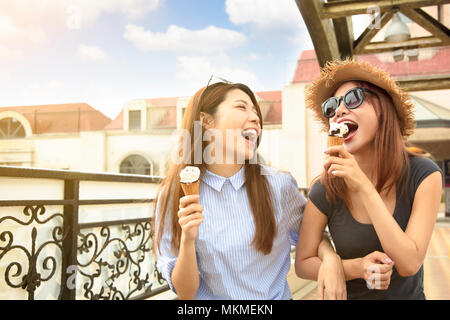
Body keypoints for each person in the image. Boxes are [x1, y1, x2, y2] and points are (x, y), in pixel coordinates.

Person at [152, 79, 340, 299]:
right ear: (206, 121)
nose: (255, 118)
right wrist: (188, 239)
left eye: (256, 112)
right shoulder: (175, 195)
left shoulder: (279, 185)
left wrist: (330, 258)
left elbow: (313, 238)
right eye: (241, 107)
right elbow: (185, 292)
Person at [295, 59, 443, 300]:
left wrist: (363, 186)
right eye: (332, 107)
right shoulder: (326, 187)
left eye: (353, 98)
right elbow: (302, 262)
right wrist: (339, 263)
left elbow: (409, 263)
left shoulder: (423, 174)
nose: (339, 111)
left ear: (384, 109)